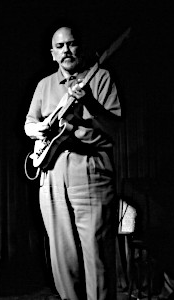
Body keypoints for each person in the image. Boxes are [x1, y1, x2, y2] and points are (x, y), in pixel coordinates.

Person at [24, 26, 121, 300]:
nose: (66, 50)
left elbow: (114, 128)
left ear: (81, 48)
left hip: (89, 170)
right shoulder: (44, 85)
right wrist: (38, 130)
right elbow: (29, 123)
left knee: (97, 255)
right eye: (60, 46)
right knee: (61, 256)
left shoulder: (101, 78)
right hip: (51, 175)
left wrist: (89, 101)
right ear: (53, 54)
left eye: (72, 44)